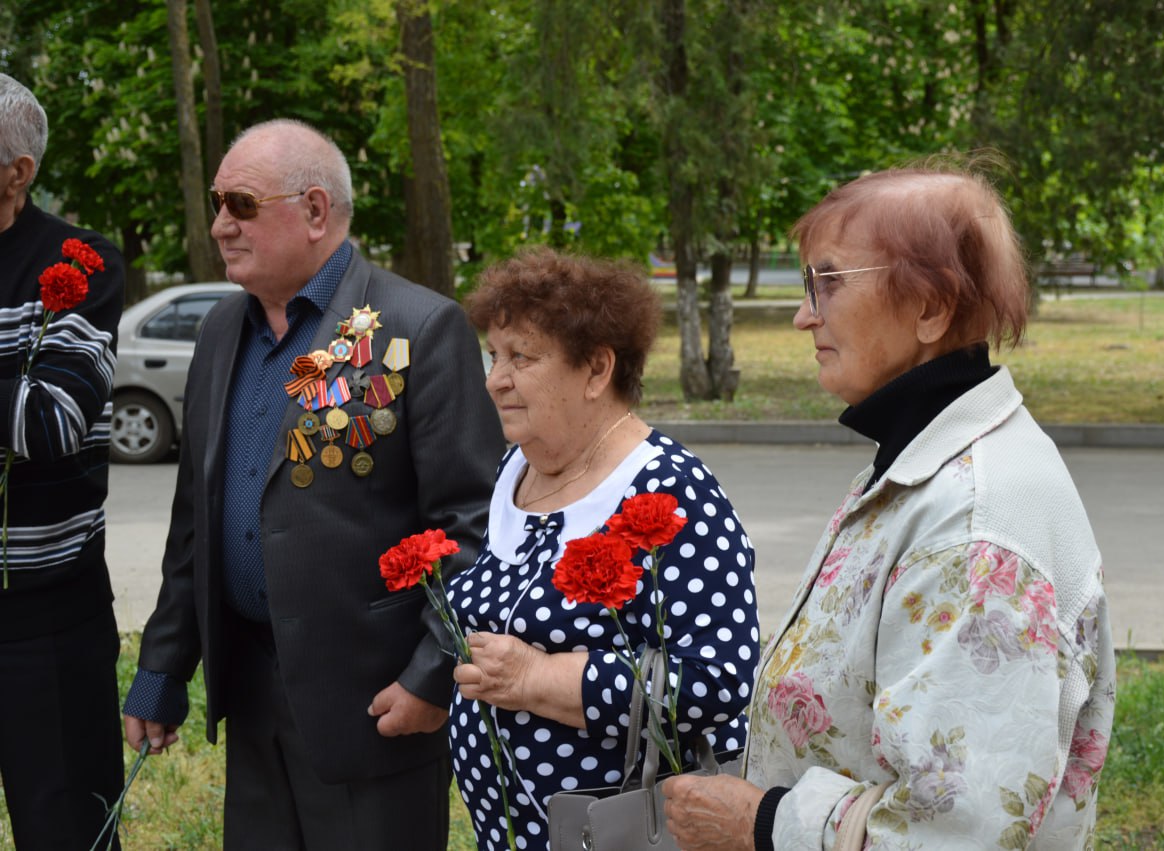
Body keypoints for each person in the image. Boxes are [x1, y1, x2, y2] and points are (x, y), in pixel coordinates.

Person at [663, 161, 1116, 850]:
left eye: (830, 282)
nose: (803, 315)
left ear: (930, 308)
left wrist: (757, 821)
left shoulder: (973, 528)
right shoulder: (926, 464)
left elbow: (957, 833)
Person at [122, 118, 506, 848]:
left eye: (241, 204)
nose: (220, 225)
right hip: (253, 694)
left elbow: (475, 525)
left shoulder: (419, 327)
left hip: (375, 705)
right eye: (217, 203)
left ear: (315, 211)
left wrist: (433, 674)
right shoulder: (220, 332)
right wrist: (163, 670)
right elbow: (195, 521)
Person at [449, 248, 760, 850]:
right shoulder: (516, 469)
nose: (495, 379)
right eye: (494, 355)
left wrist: (540, 678)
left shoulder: (671, 491)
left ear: (596, 369)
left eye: (521, 357)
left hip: (627, 834)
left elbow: (719, 679)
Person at [0, 73, 126, 850]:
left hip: (45, 623)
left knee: (66, 830)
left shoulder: (81, 263)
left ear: (18, 171)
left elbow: (49, 420)